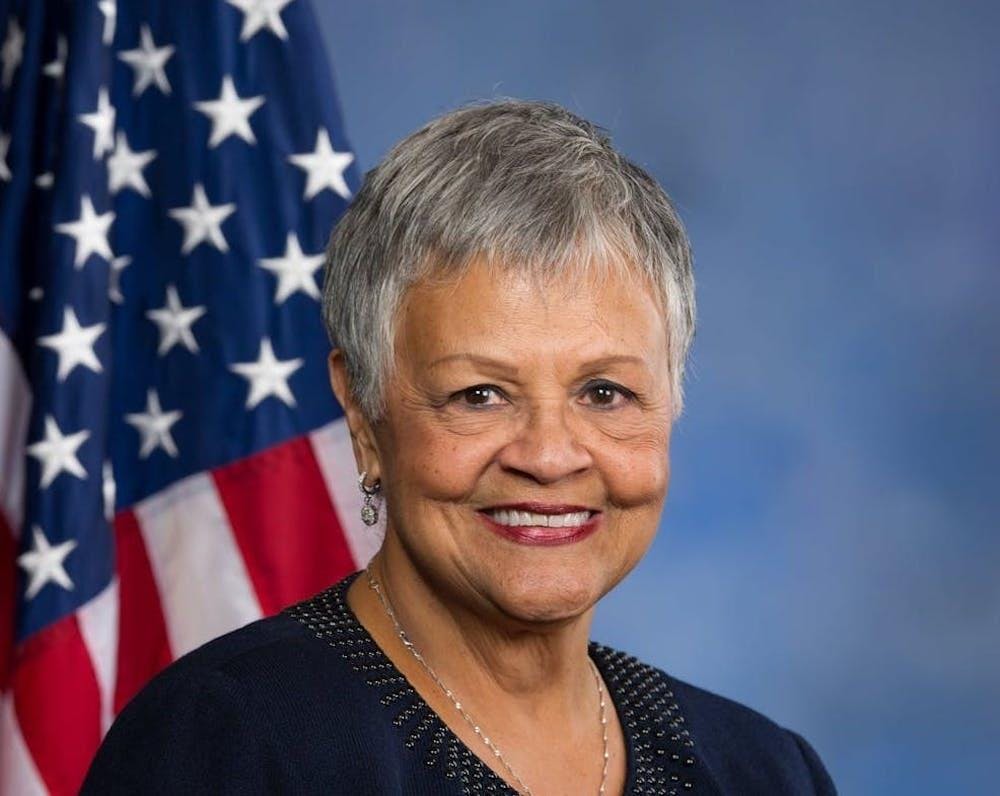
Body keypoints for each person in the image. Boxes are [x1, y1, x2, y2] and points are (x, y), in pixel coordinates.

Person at [83, 99, 836, 795]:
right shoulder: (226, 743)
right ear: (362, 409)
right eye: (480, 395)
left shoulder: (762, 770)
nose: (548, 456)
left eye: (604, 393)